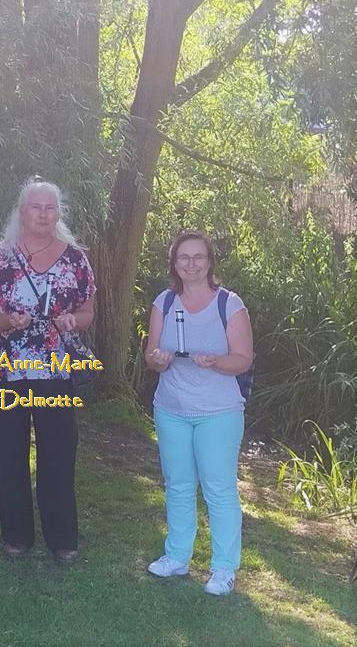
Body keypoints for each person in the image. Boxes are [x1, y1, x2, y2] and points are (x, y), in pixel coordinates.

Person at [0, 178, 95, 563]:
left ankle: (62, 539)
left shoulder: (75, 258)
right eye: (35, 208)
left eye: (50, 208)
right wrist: (7, 320)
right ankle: (16, 535)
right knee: (8, 454)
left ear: (58, 214)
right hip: (5, 373)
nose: (43, 214)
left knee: (58, 455)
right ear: (22, 212)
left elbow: (89, 312)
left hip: (55, 372)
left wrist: (73, 321)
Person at [144, 231, 253, 596]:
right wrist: (158, 360)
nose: (191, 264)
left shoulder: (230, 304)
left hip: (218, 412)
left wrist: (217, 363)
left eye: (198, 257)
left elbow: (243, 359)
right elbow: (152, 356)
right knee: (178, 484)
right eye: (183, 258)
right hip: (171, 408)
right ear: (174, 263)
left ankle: (223, 569)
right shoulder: (164, 301)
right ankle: (176, 556)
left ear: (210, 262)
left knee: (219, 489)